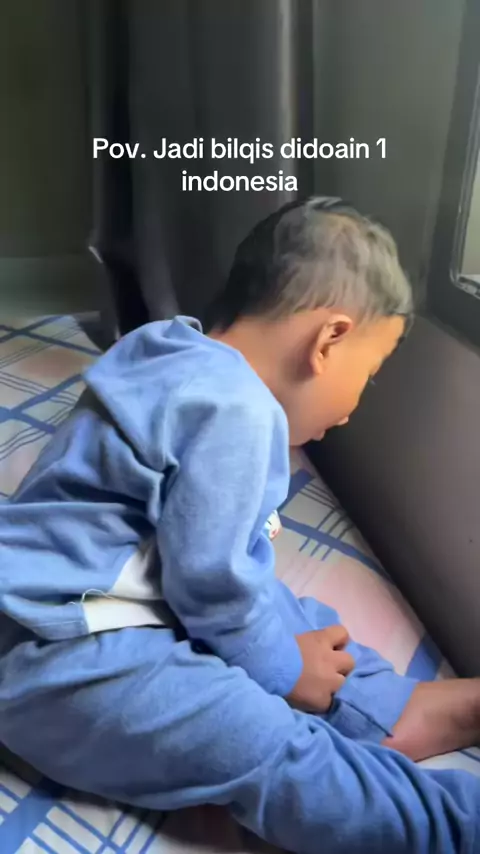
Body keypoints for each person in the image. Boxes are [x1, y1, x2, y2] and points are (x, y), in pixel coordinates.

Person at [0, 197, 479, 854]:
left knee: (279, 605)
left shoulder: (164, 348)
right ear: (329, 340)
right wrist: (283, 671)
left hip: (96, 605)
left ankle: (388, 707)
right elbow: (213, 586)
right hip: (53, 655)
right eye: (368, 374)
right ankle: (451, 824)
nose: (351, 410)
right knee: (255, 737)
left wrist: (280, 646)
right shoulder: (238, 410)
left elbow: (219, 569)